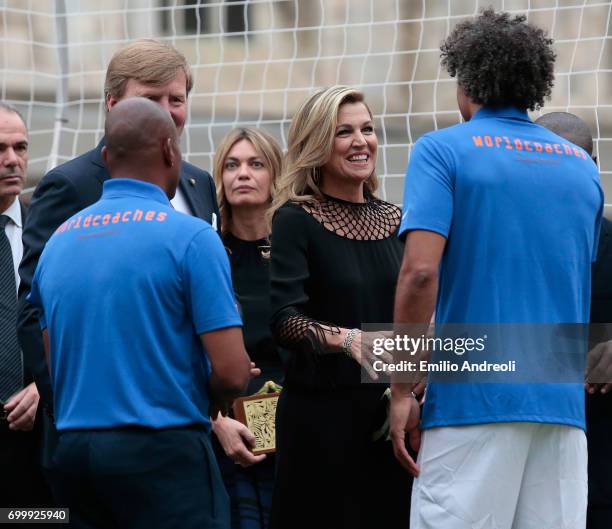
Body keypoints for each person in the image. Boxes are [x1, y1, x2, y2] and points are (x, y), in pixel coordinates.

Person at [391, 9, 602, 529]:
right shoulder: (583, 170)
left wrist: (402, 387)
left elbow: (420, 274)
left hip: (472, 401)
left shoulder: (441, 150)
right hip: (562, 414)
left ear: (466, 81)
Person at [28, 97, 251, 529]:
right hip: (162, 451)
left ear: (108, 157)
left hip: (75, 454)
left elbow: (56, 363)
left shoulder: (58, 242)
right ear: (170, 151)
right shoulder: (191, 237)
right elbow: (233, 373)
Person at [17, 38, 221, 480]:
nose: (166, 111)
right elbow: (35, 310)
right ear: (112, 104)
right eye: (150, 99)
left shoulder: (200, 183)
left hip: (186, 432)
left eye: (176, 99)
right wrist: (65, 402)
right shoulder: (70, 185)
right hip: (94, 435)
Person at [268, 86, 412, 529]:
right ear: (316, 143)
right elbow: (283, 319)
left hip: (391, 414)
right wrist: (347, 340)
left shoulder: (398, 219)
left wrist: (415, 388)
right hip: (321, 420)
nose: (360, 141)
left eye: (367, 129)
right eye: (343, 132)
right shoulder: (295, 219)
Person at [535, 111, 612, 529]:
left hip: (599, 464)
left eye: (571, 163)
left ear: (593, 168)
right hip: (517, 449)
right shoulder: (495, 246)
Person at [211, 127, 284, 529]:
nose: (243, 173)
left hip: (297, 424)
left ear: (275, 174)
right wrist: (216, 422)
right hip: (227, 428)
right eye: (232, 165)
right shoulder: (206, 250)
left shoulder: (296, 249)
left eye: (256, 164)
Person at [0, 103, 51, 511]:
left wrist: (44, 385)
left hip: (37, 432)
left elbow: (74, 324)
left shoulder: (50, 232)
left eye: (20, 147)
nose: (12, 160)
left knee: (36, 520)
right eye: (0, 149)